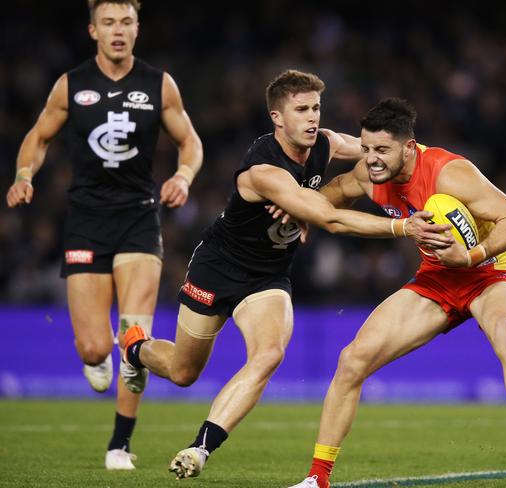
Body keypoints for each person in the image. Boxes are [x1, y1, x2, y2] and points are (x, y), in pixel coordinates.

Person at [120, 70, 444, 480]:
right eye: (302, 109)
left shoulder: (324, 143)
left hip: (268, 275)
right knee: (183, 372)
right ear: (277, 118)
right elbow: (330, 220)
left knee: (269, 353)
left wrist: (423, 160)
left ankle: (200, 448)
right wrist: (402, 226)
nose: (312, 118)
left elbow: (380, 150)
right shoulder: (263, 171)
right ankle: (135, 349)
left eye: (316, 108)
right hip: (217, 268)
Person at [288, 98, 506, 488]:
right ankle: (317, 479)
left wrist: (471, 256)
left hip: (490, 272)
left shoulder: (450, 174)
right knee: (352, 360)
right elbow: (336, 190)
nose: (372, 160)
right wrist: (298, 209)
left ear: (408, 146)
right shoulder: (370, 173)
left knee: (503, 330)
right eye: (366, 149)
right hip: (436, 277)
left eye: (382, 150)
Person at [5, 0, 203, 470]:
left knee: (134, 335)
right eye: (108, 23)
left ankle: (120, 444)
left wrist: (183, 177)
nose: (118, 30)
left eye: (126, 22)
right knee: (96, 348)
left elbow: (190, 141)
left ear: (138, 28)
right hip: (86, 222)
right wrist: (24, 173)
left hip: (138, 219)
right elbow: (39, 135)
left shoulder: (159, 84)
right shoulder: (71, 85)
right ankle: (97, 356)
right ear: (92, 30)